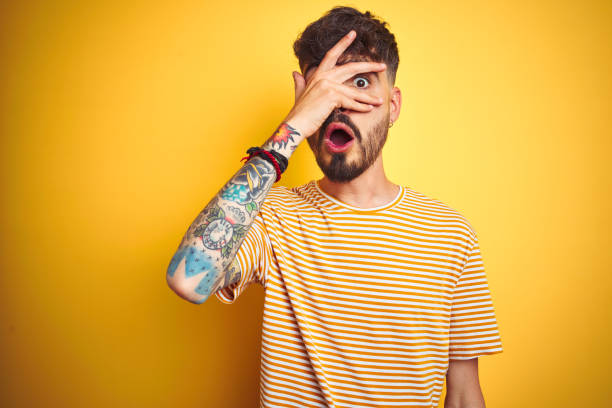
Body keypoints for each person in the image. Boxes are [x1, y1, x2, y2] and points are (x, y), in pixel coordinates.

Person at [166, 6, 503, 408]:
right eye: (322, 89)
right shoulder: (271, 217)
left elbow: (464, 394)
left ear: (393, 106)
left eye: (360, 82)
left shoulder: (451, 233)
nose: (339, 105)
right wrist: (290, 129)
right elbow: (188, 278)